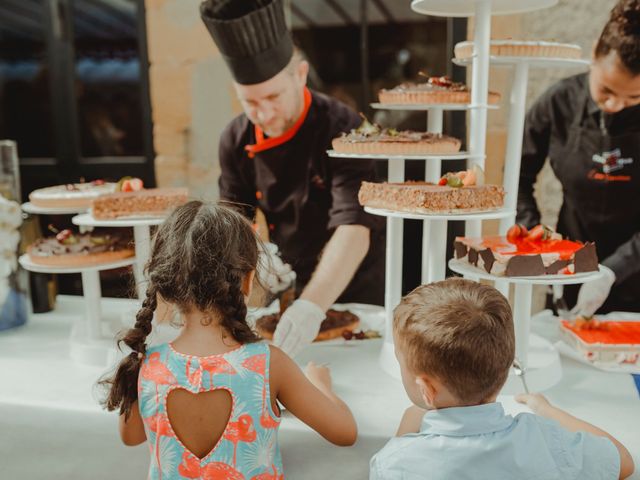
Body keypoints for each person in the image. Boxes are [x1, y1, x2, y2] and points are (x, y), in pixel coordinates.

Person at [99, 201, 357, 479]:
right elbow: (345, 432)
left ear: (168, 285)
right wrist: (320, 382)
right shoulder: (268, 363)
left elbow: (132, 436)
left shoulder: (145, 364)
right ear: (247, 281)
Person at [200, 0, 385, 357]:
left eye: (273, 96)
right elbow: (235, 223)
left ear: (300, 75)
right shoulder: (236, 138)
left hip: (356, 286)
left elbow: (354, 228)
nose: (263, 113)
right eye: (250, 102)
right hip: (293, 289)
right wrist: (255, 259)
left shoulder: (343, 127)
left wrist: (312, 306)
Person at [369, 278, 634, 480]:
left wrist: (406, 430)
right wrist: (548, 411)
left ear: (426, 388)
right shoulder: (544, 441)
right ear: (506, 367)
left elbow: (398, 464)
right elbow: (623, 461)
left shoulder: (393, 463)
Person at [518, 0, 640, 316]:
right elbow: (516, 178)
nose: (615, 105)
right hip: (569, 267)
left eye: (634, 97)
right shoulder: (558, 103)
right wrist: (539, 246)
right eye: (606, 91)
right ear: (593, 56)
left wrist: (612, 269)